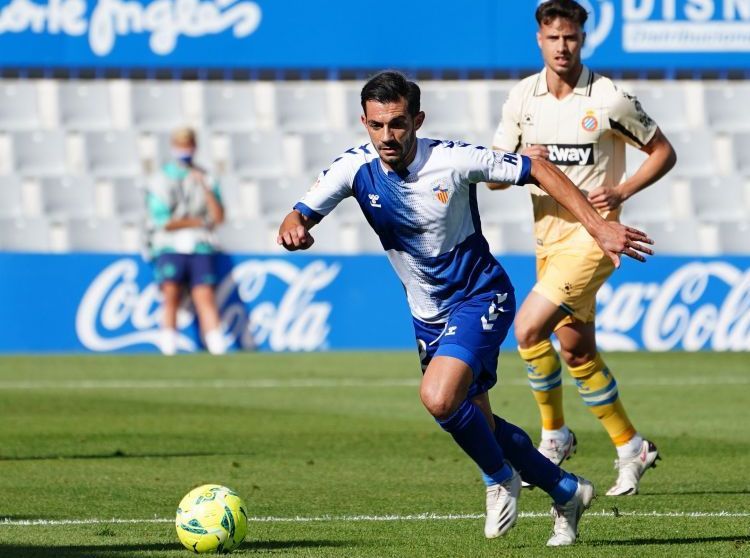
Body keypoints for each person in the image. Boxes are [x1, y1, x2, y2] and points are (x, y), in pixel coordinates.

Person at [277, 71, 653, 545]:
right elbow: (300, 212)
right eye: (376, 126)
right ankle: (565, 490)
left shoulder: (452, 159)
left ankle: (499, 479)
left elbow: (537, 169)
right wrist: (294, 228)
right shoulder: (353, 168)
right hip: (426, 313)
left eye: (397, 124)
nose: (387, 136)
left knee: (437, 397)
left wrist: (598, 227)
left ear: (417, 119)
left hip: (480, 296)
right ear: (364, 122)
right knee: (478, 419)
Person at [488, 0, 676, 496]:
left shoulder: (609, 99)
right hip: (547, 238)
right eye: (553, 38)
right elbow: (494, 178)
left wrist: (623, 191)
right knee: (575, 351)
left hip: (595, 237)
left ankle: (553, 436)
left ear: (582, 39)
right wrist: (519, 160)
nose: (562, 46)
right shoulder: (522, 100)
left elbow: (663, 152)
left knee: (528, 329)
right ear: (539, 40)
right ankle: (632, 446)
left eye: (570, 37)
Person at [146, 127, 227, 356]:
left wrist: (204, 186)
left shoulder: (206, 176)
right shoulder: (161, 178)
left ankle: (217, 346)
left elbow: (219, 217)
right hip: (169, 245)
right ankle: (168, 346)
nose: (185, 149)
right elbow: (163, 221)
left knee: (205, 296)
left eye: (188, 144)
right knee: (170, 293)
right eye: (181, 145)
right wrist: (197, 221)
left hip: (200, 245)